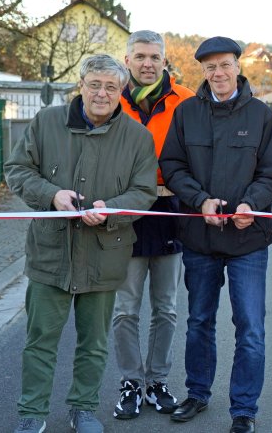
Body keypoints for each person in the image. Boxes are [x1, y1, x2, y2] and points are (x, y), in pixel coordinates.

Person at [5, 54, 157, 433]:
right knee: (40, 341)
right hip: (50, 253)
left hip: (105, 254)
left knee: (94, 343)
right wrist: (53, 195)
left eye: (110, 86)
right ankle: (32, 414)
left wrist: (113, 209)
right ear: (81, 85)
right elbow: (17, 170)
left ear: (122, 90)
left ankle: (83, 408)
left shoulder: (138, 137)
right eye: (94, 84)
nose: (102, 93)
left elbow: (144, 191)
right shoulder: (46, 122)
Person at [159, 36, 272, 433]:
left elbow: (270, 176)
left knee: (250, 327)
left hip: (249, 238)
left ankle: (244, 408)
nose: (218, 73)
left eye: (225, 64)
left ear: (237, 66)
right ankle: (197, 392)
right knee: (199, 321)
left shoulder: (261, 115)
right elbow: (173, 166)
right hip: (200, 237)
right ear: (203, 71)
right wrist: (200, 202)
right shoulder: (186, 113)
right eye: (210, 67)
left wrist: (251, 204)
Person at [111, 29, 194, 420]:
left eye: (154, 57)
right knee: (125, 309)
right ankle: (130, 381)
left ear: (165, 61)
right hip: (124, 216)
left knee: (166, 308)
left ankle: (157, 381)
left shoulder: (186, 100)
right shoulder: (111, 97)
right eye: (140, 56)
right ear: (127, 60)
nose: (147, 64)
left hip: (169, 214)